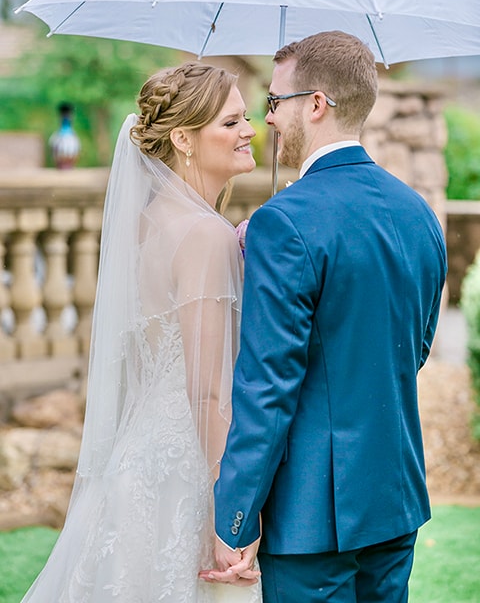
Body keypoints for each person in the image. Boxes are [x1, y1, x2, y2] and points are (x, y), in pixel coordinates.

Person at [201, 31, 447, 602]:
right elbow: (416, 347)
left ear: (315, 104)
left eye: (274, 102)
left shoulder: (284, 222)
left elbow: (267, 385)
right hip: (395, 498)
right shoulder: (419, 213)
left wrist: (234, 517)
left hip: (311, 518)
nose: (268, 120)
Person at [20, 61, 262, 602]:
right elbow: (205, 392)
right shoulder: (206, 235)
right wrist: (234, 513)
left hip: (140, 463)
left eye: (247, 118)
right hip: (187, 475)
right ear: (184, 138)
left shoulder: (146, 221)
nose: (249, 131)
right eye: (231, 122)